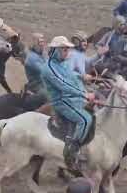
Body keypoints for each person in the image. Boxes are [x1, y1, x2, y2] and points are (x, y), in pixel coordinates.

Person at [41, 36, 95, 169]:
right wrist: (84, 94)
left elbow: (71, 76)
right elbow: (63, 85)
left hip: (72, 98)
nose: (67, 53)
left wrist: (82, 77)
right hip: (61, 101)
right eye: (64, 50)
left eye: (68, 50)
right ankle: (73, 151)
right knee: (85, 119)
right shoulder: (49, 68)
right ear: (55, 50)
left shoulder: (63, 63)